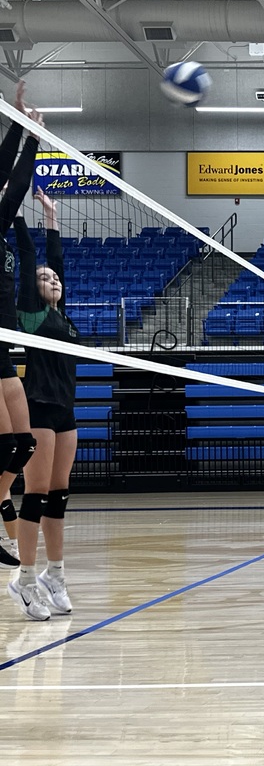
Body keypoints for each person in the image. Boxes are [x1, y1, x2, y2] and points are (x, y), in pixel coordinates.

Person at [8, 186, 78, 621]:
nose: (52, 279)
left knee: (59, 495)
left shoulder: (63, 317)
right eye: (44, 278)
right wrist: (18, 214)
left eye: (55, 278)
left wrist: (53, 215)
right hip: (38, 406)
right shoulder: (31, 315)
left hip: (65, 409)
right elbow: (35, 256)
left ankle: (55, 572)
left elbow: (57, 259)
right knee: (35, 493)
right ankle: (26, 579)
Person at [0, 81, 39, 571]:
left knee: (22, 444)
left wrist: (32, 136)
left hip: (4, 342)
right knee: (10, 442)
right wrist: (16, 121)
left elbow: (17, 185)